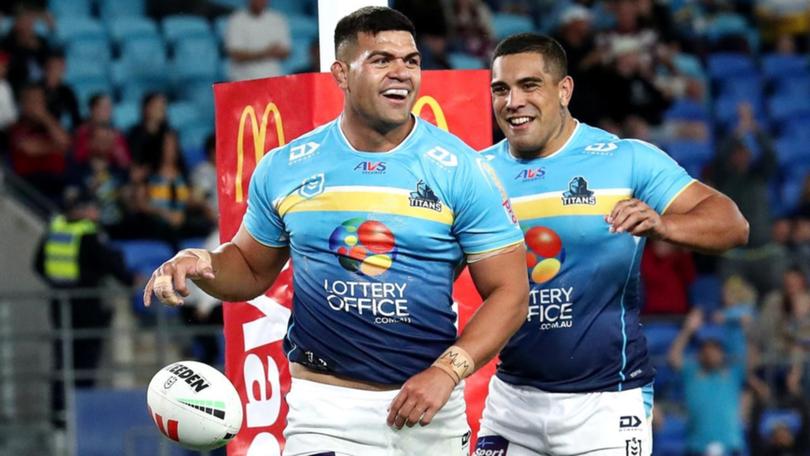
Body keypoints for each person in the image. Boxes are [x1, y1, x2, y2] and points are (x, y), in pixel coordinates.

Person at [145, 7, 529, 455]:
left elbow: (511, 293)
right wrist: (201, 261)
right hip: (324, 414)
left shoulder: (464, 169)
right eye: (382, 60)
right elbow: (249, 268)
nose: (402, 73)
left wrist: (447, 371)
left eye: (412, 60)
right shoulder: (286, 167)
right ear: (342, 74)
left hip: (429, 413)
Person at [475, 33, 749, 456]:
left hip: (605, 407)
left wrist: (662, 225)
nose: (513, 101)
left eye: (529, 85)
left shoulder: (626, 159)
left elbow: (733, 224)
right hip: (511, 401)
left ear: (564, 90)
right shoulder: (478, 173)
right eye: (501, 89)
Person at [33, 187, 136, 427]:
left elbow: (38, 264)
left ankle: (59, 420)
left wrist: (58, 284)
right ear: (85, 209)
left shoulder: (55, 228)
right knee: (85, 366)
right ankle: (80, 420)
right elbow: (109, 263)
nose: (96, 213)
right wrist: (131, 280)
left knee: (62, 363)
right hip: (88, 308)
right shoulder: (89, 233)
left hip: (60, 306)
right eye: (93, 208)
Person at [668, 310, 747, 456]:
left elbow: (749, 357)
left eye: (715, 348)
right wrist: (688, 330)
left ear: (722, 352)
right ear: (700, 352)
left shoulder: (732, 373)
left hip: (730, 448)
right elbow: (673, 358)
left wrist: (737, 325)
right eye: (706, 348)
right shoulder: (691, 372)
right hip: (697, 447)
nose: (711, 353)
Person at [224, 0, 290, 81]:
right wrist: (266, 52)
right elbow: (236, 55)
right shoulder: (236, 20)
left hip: (273, 79)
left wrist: (256, 54)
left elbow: (286, 52)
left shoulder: (277, 19)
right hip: (243, 80)